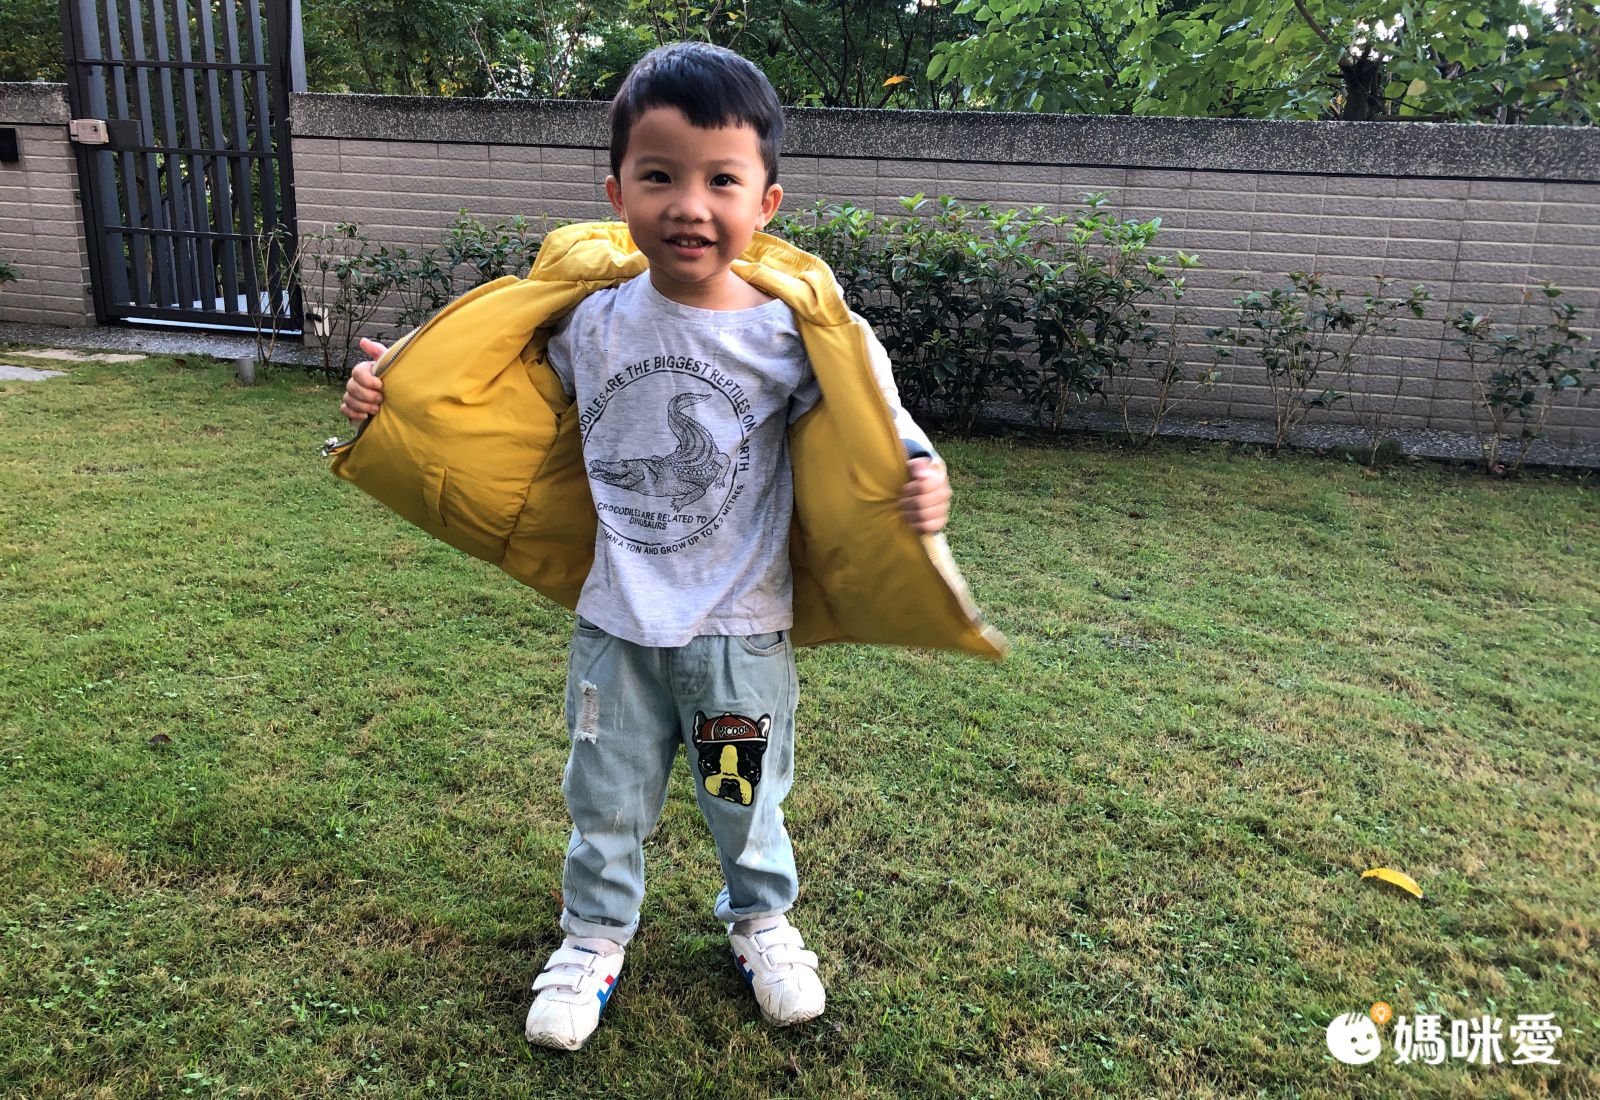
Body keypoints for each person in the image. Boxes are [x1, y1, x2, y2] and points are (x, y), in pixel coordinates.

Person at [338, 42, 968, 1052]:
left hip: (737, 634)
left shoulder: (786, 331)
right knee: (606, 797)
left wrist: (919, 466)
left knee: (742, 797)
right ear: (617, 193)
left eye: (721, 180)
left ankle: (760, 920)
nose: (689, 205)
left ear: (766, 201)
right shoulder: (592, 321)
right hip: (617, 627)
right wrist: (392, 382)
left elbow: (871, 411)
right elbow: (487, 365)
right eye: (660, 176)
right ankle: (592, 936)